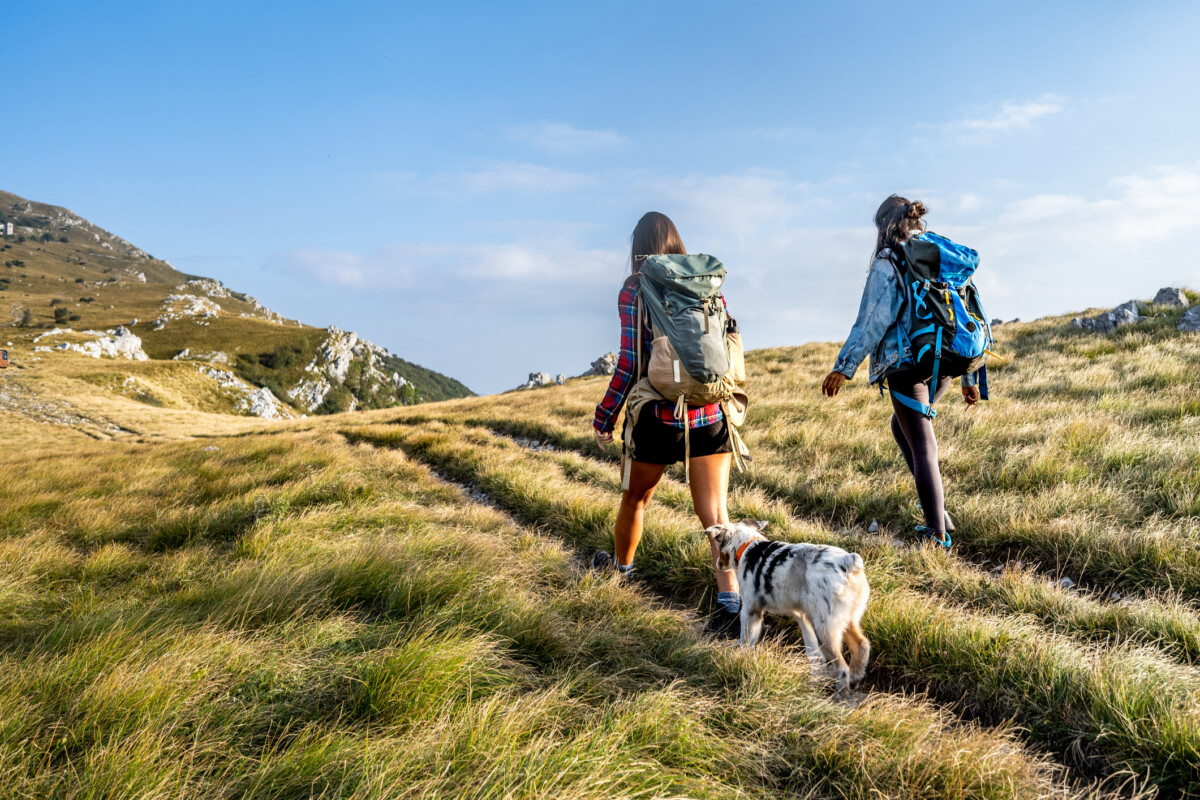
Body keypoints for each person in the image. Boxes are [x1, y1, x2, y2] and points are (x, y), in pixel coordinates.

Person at [592, 211, 742, 636]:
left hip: (658, 416)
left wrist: (605, 416)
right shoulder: (706, 285)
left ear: (637, 248)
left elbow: (630, 362)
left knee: (636, 499)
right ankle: (730, 607)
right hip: (710, 412)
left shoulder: (633, 290)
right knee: (715, 515)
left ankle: (622, 575)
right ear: (677, 242)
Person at [821, 196, 979, 546]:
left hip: (908, 363)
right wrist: (971, 377)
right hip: (946, 361)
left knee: (923, 447)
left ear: (884, 225)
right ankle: (937, 511)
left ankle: (936, 533)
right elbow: (968, 314)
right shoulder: (937, 255)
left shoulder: (889, 260)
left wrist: (843, 368)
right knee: (903, 428)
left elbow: (872, 318)